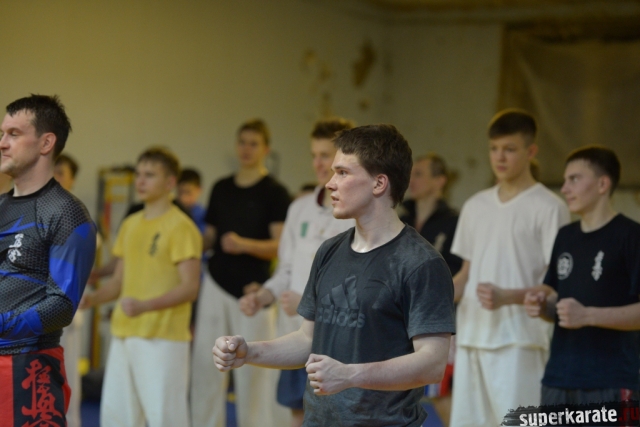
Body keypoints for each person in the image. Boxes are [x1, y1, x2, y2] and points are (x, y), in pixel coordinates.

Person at [214, 124, 456, 427]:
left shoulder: (421, 263)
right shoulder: (329, 251)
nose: (330, 183)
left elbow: (432, 364)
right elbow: (307, 339)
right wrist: (250, 352)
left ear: (379, 183)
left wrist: (350, 375)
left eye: (342, 173)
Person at [449, 109, 570, 427]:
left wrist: (509, 297)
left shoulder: (550, 207)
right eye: (494, 148)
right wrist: (430, 294)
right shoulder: (475, 205)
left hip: (520, 341)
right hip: (472, 336)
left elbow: (556, 282)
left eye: (510, 149)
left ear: (531, 151)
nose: (499, 157)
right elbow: (466, 274)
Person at [239, 117, 355, 427]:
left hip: (338, 344)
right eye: (314, 155)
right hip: (296, 338)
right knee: (297, 413)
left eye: (325, 155)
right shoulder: (299, 208)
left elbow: (356, 284)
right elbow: (286, 271)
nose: (318, 163)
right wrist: (263, 295)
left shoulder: (355, 213)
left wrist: (307, 303)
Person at [80, 147, 202, 427]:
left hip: (164, 338)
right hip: (125, 333)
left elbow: (190, 288)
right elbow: (118, 282)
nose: (141, 181)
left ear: (170, 182)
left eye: (150, 175)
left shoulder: (181, 227)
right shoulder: (131, 224)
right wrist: (92, 299)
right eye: (138, 174)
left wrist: (145, 306)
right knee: (118, 417)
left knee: (165, 418)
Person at [0, 94, 96, 426]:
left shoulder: (67, 213)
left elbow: (61, 306)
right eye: (2, 134)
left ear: (46, 143)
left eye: (14, 134)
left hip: (26, 367)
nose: (2, 143)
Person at [191, 119, 291, 427]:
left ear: (266, 149)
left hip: (254, 290)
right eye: (242, 142)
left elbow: (280, 246)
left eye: (253, 143)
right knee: (207, 365)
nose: (246, 149)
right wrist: (189, 241)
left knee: (253, 371)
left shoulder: (275, 192)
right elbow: (209, 236)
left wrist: (243, 244)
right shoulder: (221, 187)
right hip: (217, 282)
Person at [524, 146, 640, 406]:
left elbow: (581, 314)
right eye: (565, 180)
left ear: (602, 184)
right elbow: (561, 308)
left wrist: (588, 315)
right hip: (558, 380)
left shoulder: (631, 236)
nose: (565, 188)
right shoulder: (565, 236)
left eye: (574, 179)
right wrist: (542, 306)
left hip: (612, 381)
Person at [399, 153, 461, 426]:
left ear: (440, 181)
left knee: (440, 393)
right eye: (411, 173)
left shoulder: (454, 221)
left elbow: (458, 272)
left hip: (436, 318)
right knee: (397, 389)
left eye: (420, 174)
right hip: (400, 316)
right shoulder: (400, 218)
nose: (412, 180)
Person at [53, 153, 85, 427]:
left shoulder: (78, 215)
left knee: (65, 378)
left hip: (64, 310)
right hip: (29, 314)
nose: (55, 176)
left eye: (62, 172)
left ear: (72, 180)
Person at [177, 167, 207, 234]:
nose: (183, 198)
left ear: (199, 190)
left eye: (188, 192)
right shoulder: (172, 209)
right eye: (180, 192)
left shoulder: (203, 216)